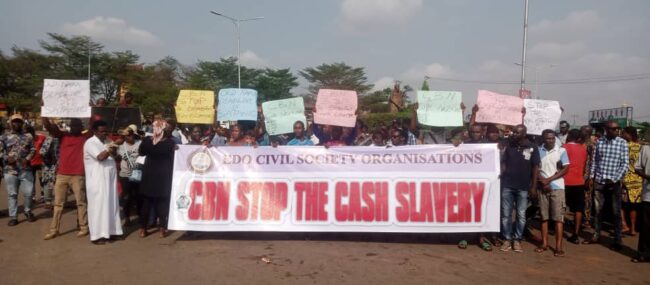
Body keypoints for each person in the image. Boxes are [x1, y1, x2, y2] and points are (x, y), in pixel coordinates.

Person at [42, 118, 90, 240]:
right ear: (69, 126)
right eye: (73, 126)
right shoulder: (62, 136)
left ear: (81, 127)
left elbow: (93, 126)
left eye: (77, 126)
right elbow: (49, 127)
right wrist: (44, 112)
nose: (74, 128)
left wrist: (91, 109)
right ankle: (54, 230)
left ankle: (84, 227)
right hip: (62, 174)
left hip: (78, 174)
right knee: (58, 204)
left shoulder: (85, 137)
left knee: (81, 202)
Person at [584, 120, 628, 251]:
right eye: (613, 129)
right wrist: (591, 177)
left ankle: (618, 239)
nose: (616, 131)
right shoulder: (599, 142)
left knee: (616, 212)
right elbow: (595, 162)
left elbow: (625, 164)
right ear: (606, 130)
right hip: (599, 182)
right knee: (597, 211)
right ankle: (596, 235)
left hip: (614, 183)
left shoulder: (622, 143)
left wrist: (615, 179)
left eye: (617, 129)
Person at [500, 124, 540, 253]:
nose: (514, 134)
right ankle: (507, 239)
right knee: (506, 215)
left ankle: (517, 240)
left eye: (517, 132)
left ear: (524, 133)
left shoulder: (532, 147)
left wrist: (533, 186)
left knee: (521, 215)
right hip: (507, 185)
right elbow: (503, 162)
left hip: (523, 186)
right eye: (514, 132)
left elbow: (535, 167)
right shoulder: (508, 145)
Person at [84, 120, 123, 244]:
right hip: (97, 180)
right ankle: (97, 236)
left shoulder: (107, 141)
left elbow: (117, 157)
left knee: (111, 204)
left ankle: (111, 232)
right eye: (101, 131)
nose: (104, 133)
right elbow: (101, 157)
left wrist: (115, 148)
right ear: (95, 131)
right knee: (98, 207)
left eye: (106, 131)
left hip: (110, 179)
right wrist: (113, 145)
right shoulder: (90, 143)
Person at [535, 129, 570, 257]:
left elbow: (566, 168)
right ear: (543, 139)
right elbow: (535, 168)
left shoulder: (561, 150)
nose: (550, 140)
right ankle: (544, 244)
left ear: (555, 138)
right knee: (544, 217)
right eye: (547, 138)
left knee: (558, 219)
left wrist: (549, 180)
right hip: (542, 187)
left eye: (552, 138)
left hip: (557, 187)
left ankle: (558, 247)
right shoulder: (538, 151)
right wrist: (542, 180)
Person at [138, 119, 175, 238]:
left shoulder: (147, 141)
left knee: (146, 204)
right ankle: (163, 229)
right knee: (162, 204)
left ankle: (143, 230)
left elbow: (141, 153)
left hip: (148, 176)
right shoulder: (169, 143)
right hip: (163, 177)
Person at [1, 114, 36, 226]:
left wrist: (27, 159)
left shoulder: (29, 136)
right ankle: (13, 217)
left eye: (19, 121)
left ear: (22, 123)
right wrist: (6, 158)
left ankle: (27, 211)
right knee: (12, 194)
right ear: (10, 123)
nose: (16, 123)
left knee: (29, 193)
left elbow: (33, 149)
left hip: (26, 169)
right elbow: (0, 152)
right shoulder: (3, 137)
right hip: (10, 170)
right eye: (14, 121)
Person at [563, 129, 588, 244]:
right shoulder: (583, 149)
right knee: (578, 209)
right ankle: (576, 233)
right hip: (579, 182)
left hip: (564, 181)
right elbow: (584, 166)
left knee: (562, 207)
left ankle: (558, 228)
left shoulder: (563, 147)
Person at [117, 128, 142, 226]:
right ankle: (127, 217)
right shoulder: (121, 146)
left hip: (136, 173)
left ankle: (140, 216)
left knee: (138, 195)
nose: (130, 137)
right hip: (125, 174)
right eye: (127, 135)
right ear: (124, 137)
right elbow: (121, 156)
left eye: (131, 135)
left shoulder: (140, 143)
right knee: (126, 197)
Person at [621, 126, 642, 236]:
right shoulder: (640, 147)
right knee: (633, 205)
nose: (622, 135)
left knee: (621, 204)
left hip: (625, 180)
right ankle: (633, 228)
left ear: (629, 134)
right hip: (638, 180)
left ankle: (624, 225)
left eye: (623, 133)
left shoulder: (624, 146)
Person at [632, 144, 650, 262]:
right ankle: (643, 253)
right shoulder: (646, 149)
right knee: (646, 226)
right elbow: (637, 168)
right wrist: (647, 177)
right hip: (648, 195)